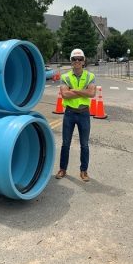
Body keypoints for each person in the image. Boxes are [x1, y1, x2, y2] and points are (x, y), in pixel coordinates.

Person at [55, 48, 96, 182]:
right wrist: (83, 90)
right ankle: (62, 169)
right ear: (71, 61)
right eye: (74, 59)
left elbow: (92, 93)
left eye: (79, 59)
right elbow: (65, 94)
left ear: (83, 61)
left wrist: (74, 90)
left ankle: (84, 171)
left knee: (84, 144)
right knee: (65, 143)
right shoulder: (65, 77)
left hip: (84, 113)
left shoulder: (90, 76)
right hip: (70, 113)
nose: (77, 62)